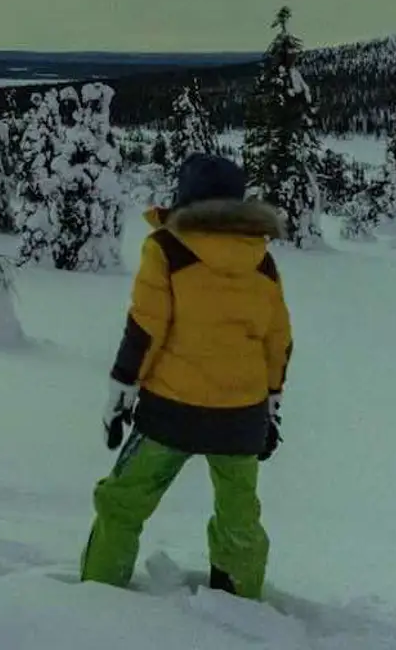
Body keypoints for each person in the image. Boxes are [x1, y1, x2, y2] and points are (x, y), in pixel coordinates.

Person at [80, 152, 293, 599]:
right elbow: (278, 341)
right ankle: (240, 609)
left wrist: (120, 392)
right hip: (242, 414)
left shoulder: (166, 248)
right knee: (239, 519)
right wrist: (270, 408)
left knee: (122, 503)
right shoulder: (262, 261)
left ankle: (97, 597)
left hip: (170, 411)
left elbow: (145, 327)